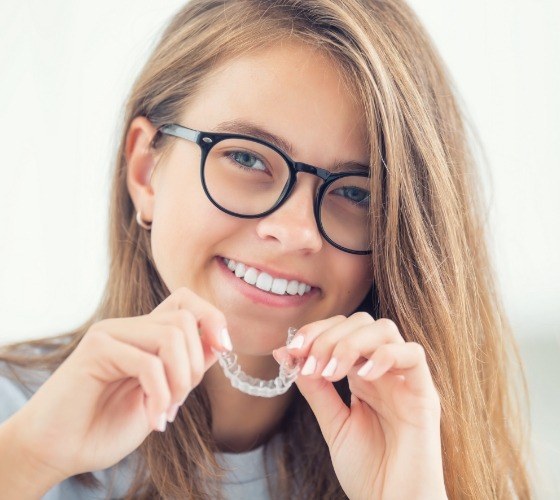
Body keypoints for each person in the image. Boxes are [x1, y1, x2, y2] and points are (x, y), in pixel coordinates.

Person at [0, 0, 534, 498]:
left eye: (354, 193)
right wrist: (25, 459)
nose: (297, 230)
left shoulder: (421, 461)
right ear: (145, 171)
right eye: (248, 159)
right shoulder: (17, 420)